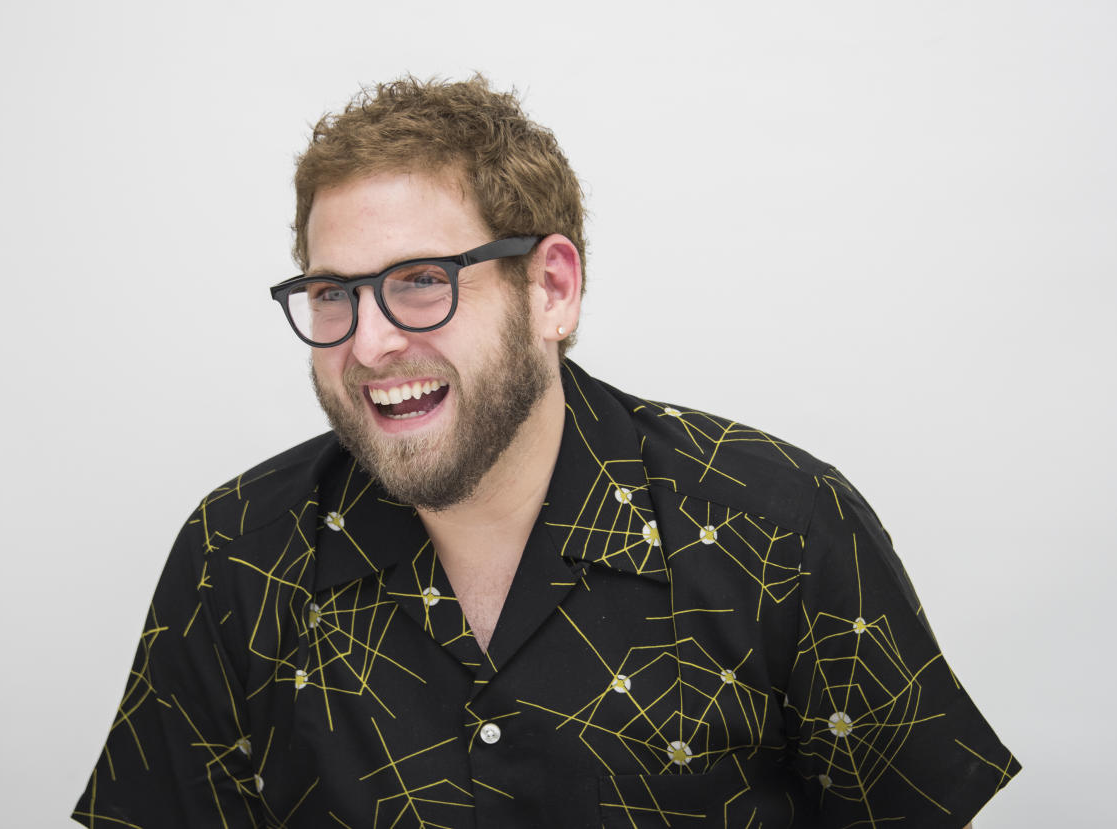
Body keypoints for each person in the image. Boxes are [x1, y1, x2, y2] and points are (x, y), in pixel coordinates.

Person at [73, 76, 1018, 828]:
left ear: (552, 289)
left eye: (419, 282)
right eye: (333, 294)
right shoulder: (235, 553)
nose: (367, 346)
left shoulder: (786, 529)